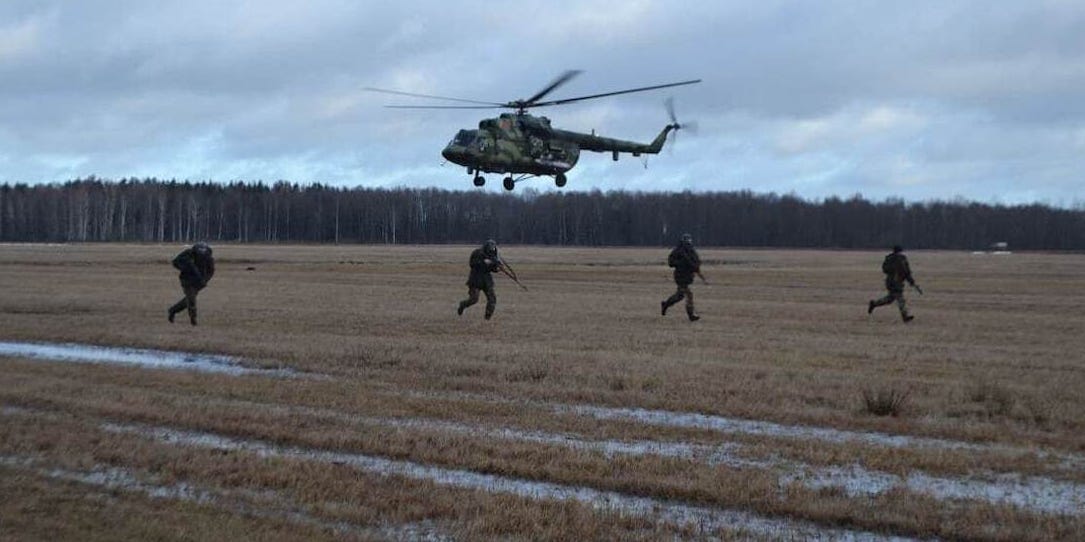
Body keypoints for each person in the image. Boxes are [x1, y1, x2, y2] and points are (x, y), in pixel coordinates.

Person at [168, 242, 215, 326]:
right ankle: (193, 320)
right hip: (187, 280)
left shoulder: (209, 258)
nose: (201, 253)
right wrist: (185, 268)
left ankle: (173, 310)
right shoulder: (188, 254)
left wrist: (204, 280)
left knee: (188, 300)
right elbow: (175, 262)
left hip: (199, 282)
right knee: (191, 299)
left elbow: (211, 271)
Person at [868, 245, 919, 322]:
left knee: (890, 299)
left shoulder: (898, 259)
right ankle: (905, 316)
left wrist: (911, 281)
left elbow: (906, 272)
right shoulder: (894, 259)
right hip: (893, 282)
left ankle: (874, 304)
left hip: (895, 281)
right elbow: (886, 269)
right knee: (900, 298)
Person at [661, 233, 703, 322]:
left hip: (688, 276)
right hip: (680, 277)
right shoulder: (678, 251)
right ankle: (691, 315)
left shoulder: (692, 251)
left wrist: (695, 267)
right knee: (689, 295)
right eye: (686, 240)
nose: (688, 242)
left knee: (679, 296)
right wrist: (681, 263)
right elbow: (671, 262)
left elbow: (696, 262)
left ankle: (665, 304)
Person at [457, 239, 501, 320]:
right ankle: (462, 305)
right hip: (476, 279)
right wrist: (483, 262)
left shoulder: (493, 255)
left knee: (492, 299)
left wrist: (496, 267)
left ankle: (487, 317)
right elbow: (472, 264)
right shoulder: (477, 253)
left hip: (487, 280)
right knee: (474, 299)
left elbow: (494, 268)